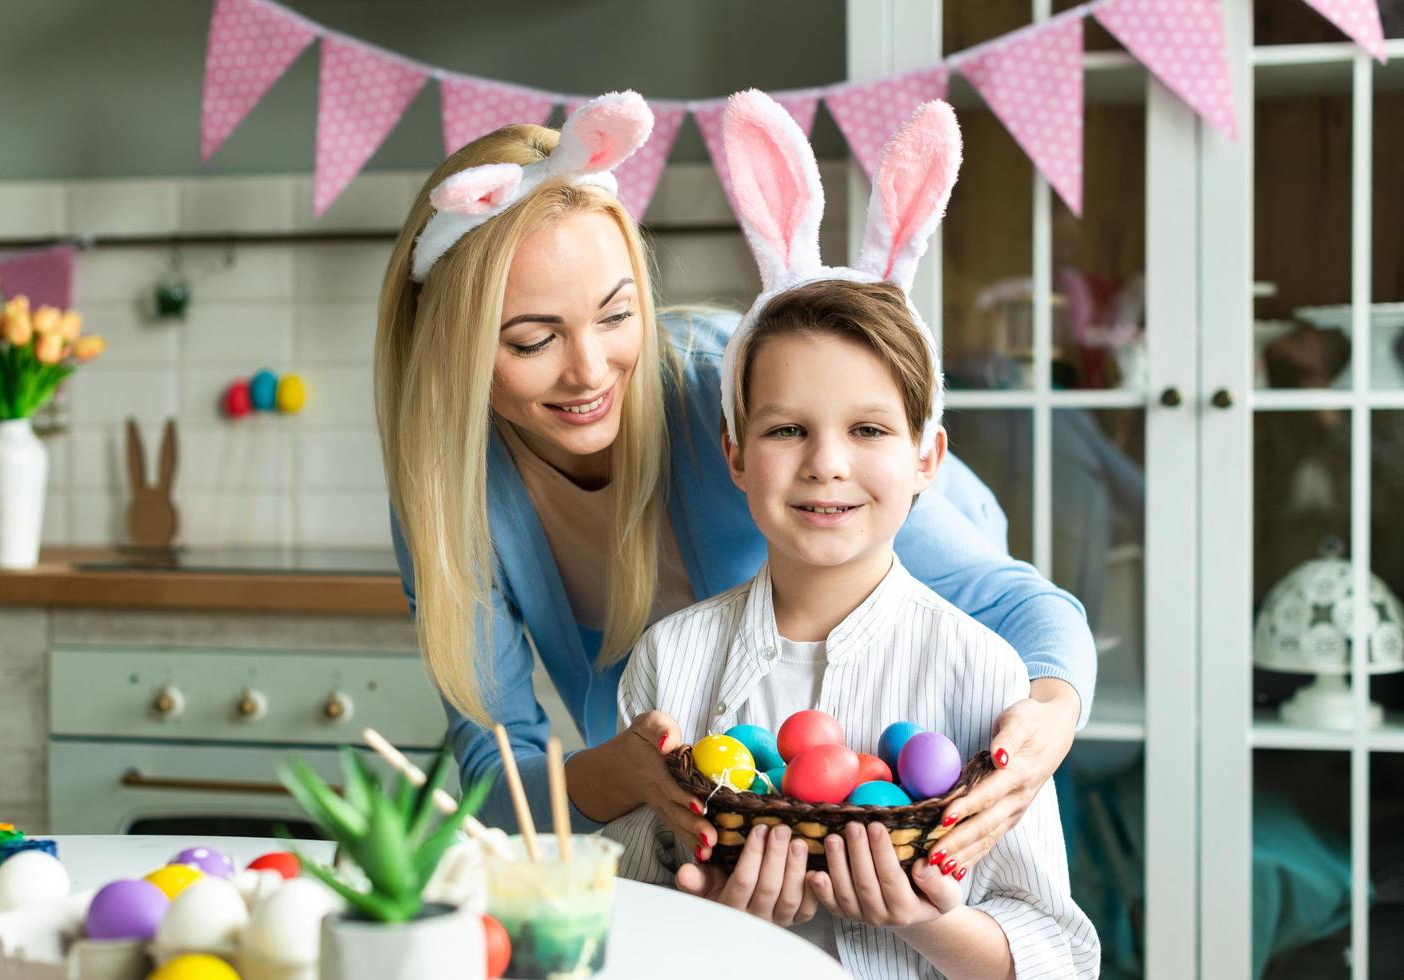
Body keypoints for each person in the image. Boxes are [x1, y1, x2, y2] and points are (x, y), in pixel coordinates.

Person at [376, 90, 1096, 881]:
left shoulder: (729, 385)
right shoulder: (446, 495)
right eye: (534, 339)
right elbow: (495, 779)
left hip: (872, 765)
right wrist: (628, 772)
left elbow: (1017, 605)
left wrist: (1046, 721)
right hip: (717, 836)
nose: (589, 371)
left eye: (617, 317)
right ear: (454, 345)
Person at [607, 92, 1097, 979]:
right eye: (787, 429)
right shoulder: (669, 666)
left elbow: (1059, 955)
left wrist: (920, 920)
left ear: (926, 459)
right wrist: (710, 905)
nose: (826, 464)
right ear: (734, 454)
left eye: (868, 431)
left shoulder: (983, 674)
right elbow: (628, 913)